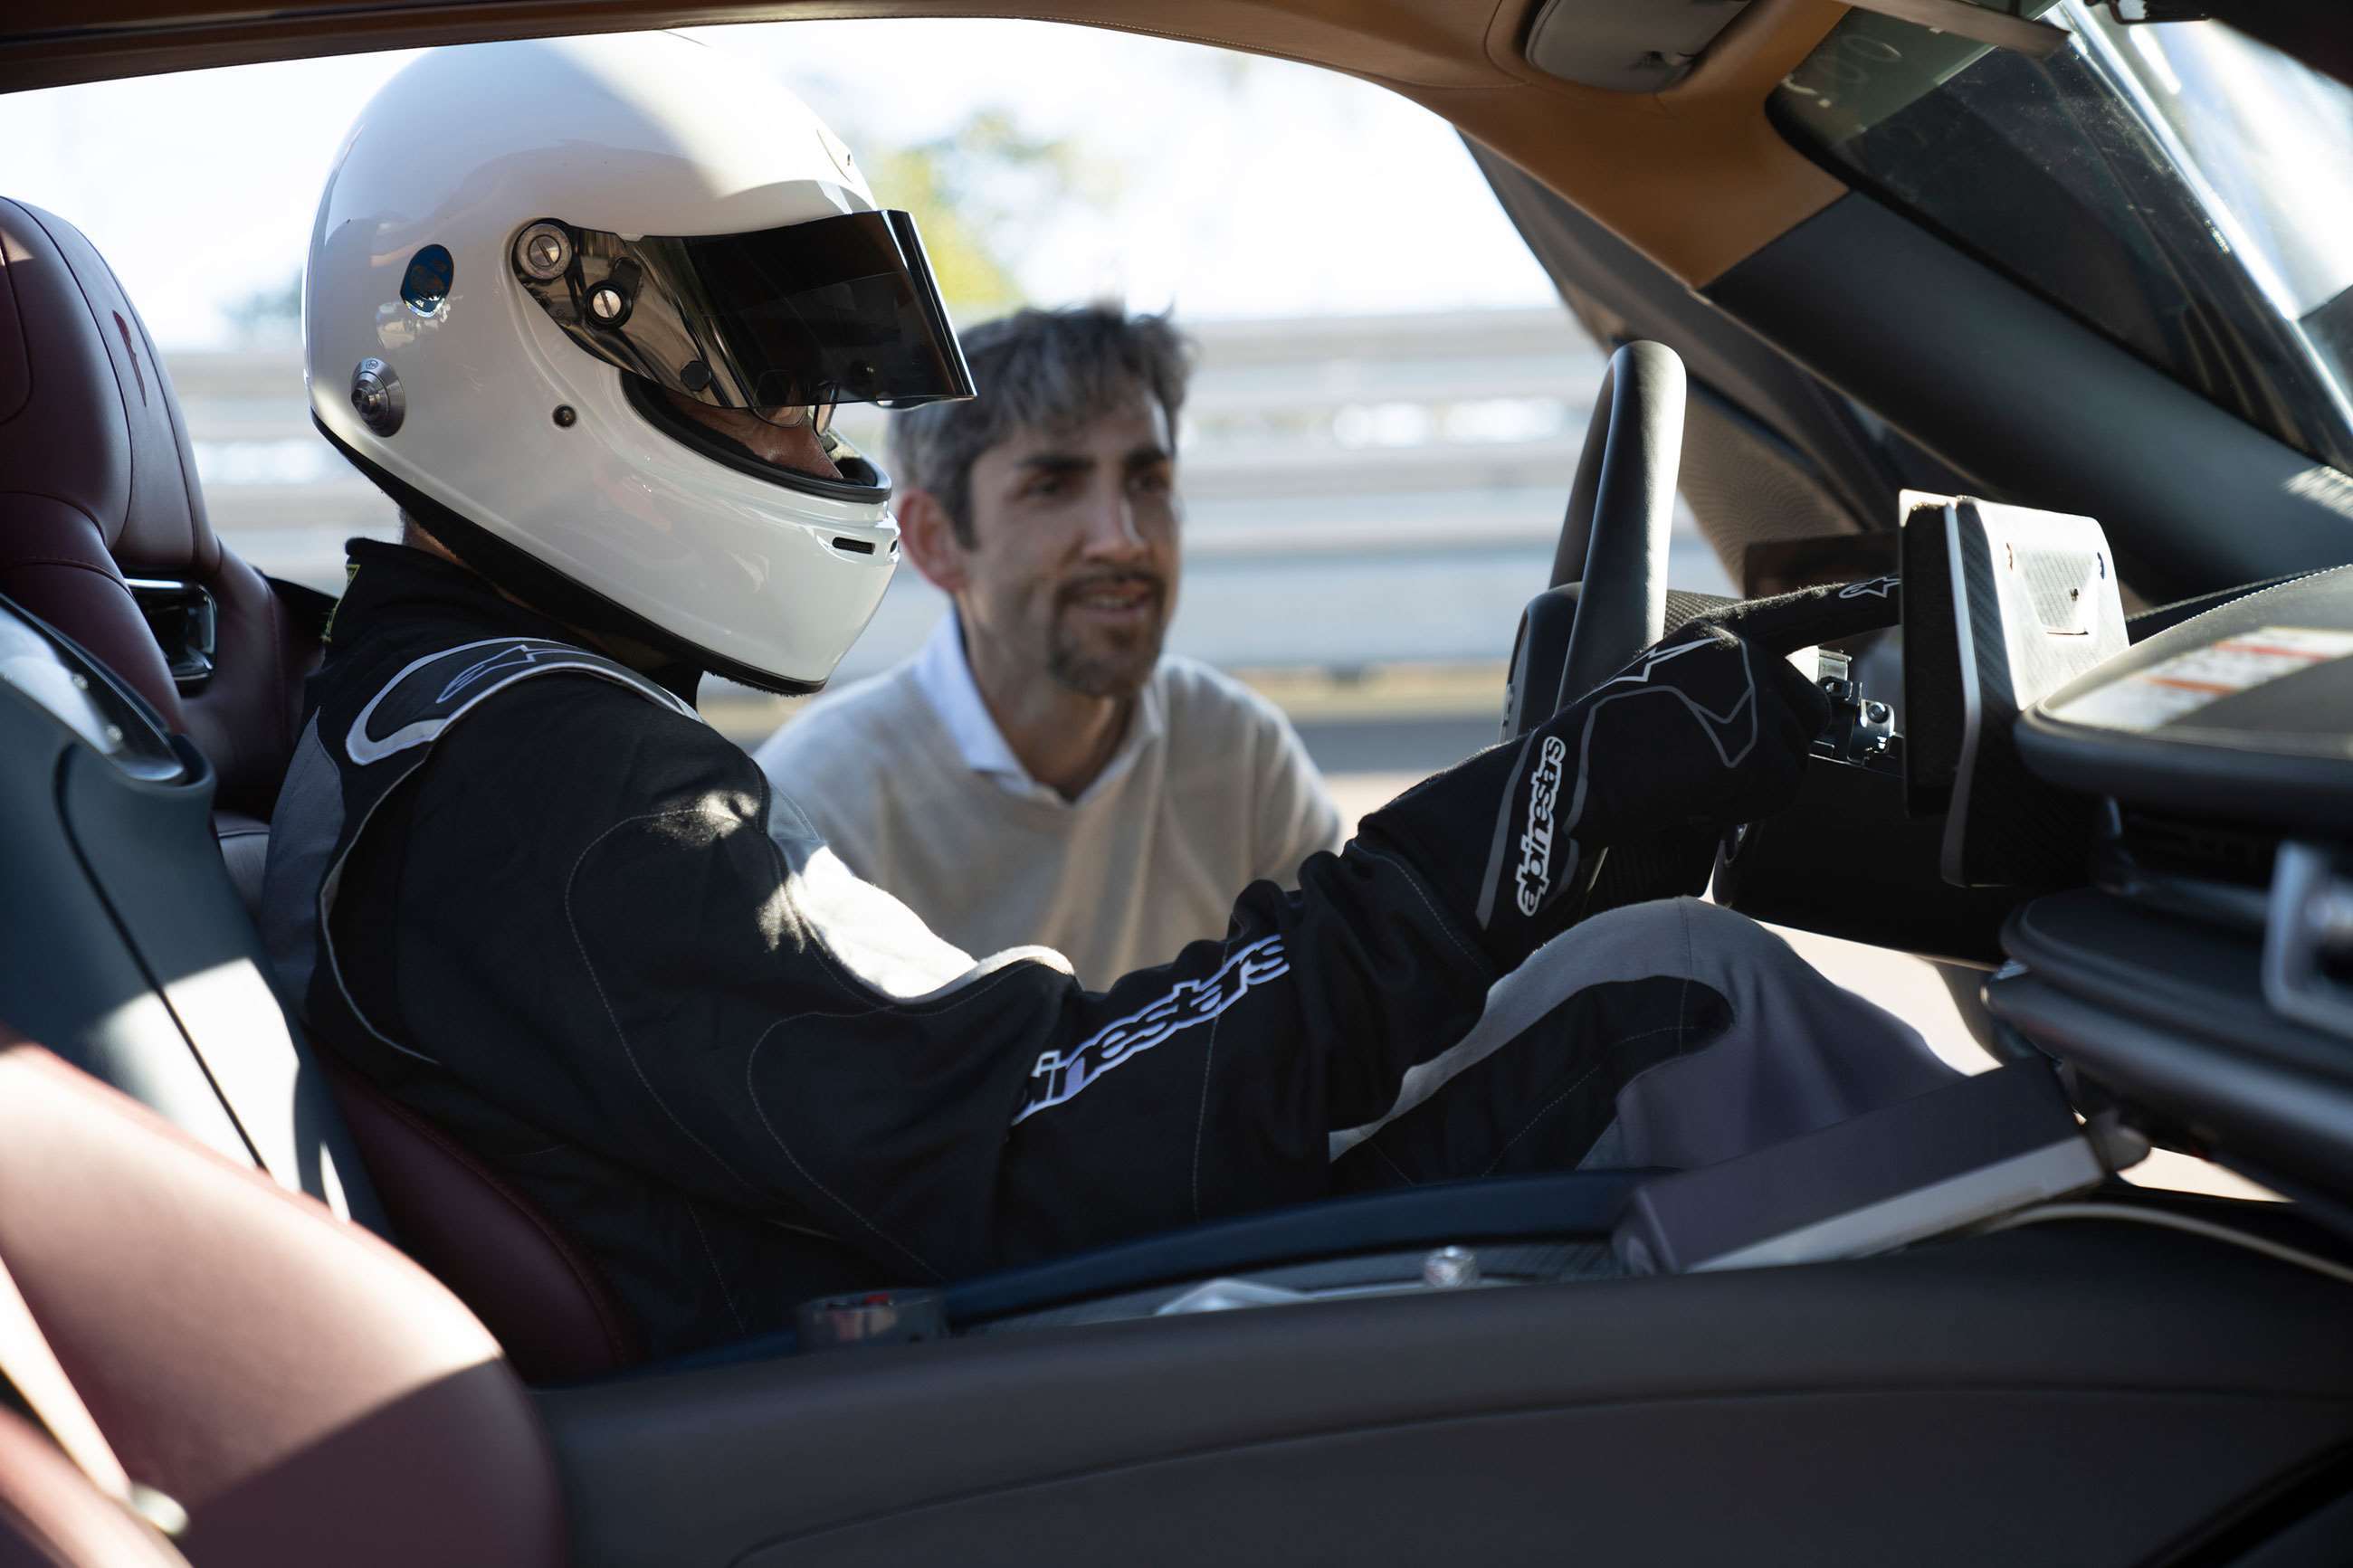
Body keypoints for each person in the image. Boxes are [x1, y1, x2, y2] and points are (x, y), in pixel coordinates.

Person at [262, 33, 1954, 1358]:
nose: (813, 440)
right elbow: (1043, 1140)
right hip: (944, 1382)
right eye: (761, 370)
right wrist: (1536, 817)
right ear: (538, 329)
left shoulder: (446, 725)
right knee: (1674, 996)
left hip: (919, 1328)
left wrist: (1517, 853)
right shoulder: (550, 777)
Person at [754, 306, 1343, 984]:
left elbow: (1343, 1016)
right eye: (1054, 487)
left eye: (1148, 481)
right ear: (936, 540)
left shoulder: (1239, 752)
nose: (1122, 538)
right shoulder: (820, 810)